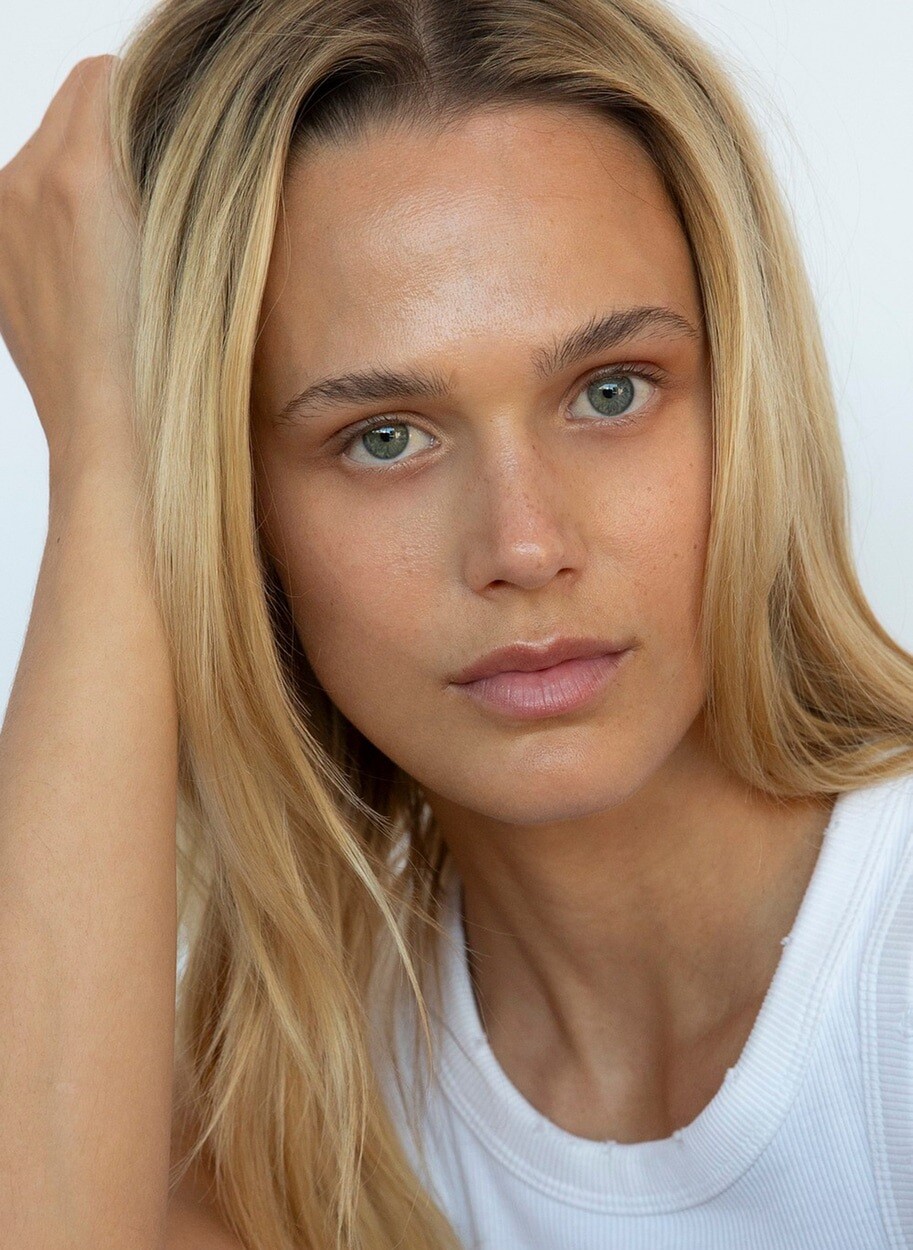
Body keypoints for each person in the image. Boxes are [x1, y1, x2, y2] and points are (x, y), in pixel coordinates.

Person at [1, 1, 912, 1248]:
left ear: (745, 400)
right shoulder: (304, 1114)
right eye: (383, 438)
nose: (524, 546)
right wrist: (112, 461)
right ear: (237, 511)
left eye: (610, 391)